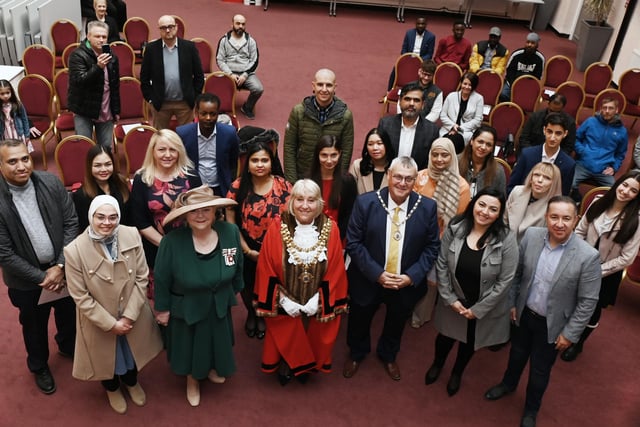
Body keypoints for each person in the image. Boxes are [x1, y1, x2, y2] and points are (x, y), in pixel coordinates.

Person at [484, 196, 601, 427]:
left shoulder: (588, 256)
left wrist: (570, 334)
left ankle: (531, 409)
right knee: (516, 355)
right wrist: (513, 303)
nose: (560, 223)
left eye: (566, 218)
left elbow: (588, 301)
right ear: (546, 217)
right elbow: (517, 274)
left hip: (554, 325)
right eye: (554, 217)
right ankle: (508, 384)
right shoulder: (531, 236)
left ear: (576, 220)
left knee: (539, 370)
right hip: (524, 314)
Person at [344, 157, 440, 381]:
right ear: (388, 175)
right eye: (398, 176)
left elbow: (432, 246)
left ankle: (388, 354)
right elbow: (354, 243)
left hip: (404, 283)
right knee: (360, 318)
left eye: (409, 178)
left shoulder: (427, 207)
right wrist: (377, 274)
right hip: (368, 278)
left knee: (396, 321)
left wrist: (411, 277)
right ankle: (357, 352)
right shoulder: (366, 203)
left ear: (415, 181)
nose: (402, 183)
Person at [64, 195, 163, 414]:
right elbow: (80, 297)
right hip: (100, 320)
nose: (106, 223)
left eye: (113, 217)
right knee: (107, 359)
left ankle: (131, 381)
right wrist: (111, 324)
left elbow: (141, 277)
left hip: (132, 313)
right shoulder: (74, 250)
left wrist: (128, 317)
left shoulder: (131, 234)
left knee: (132, 353)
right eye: (100, 217)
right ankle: (111, 388)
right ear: (91, 216)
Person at [0, 139, 78, 394]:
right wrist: (42, 276)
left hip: (62, 268)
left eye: (25, 158)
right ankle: (39, 365)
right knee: (33, 325)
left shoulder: (51, 182)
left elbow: (71, 223)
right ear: (1, 164)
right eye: (12, 161)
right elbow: (4, 253)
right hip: (26, 282)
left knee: (68, 313)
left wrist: (60, 266)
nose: (22, 166)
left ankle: (67, 345)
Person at [154, 186, 243, 406]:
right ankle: (192, 381)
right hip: (188, 307)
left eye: (206, 210)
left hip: (219, 302)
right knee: (191, 348)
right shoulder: (171, 242)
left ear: (215, 212)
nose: (200, 216)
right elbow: (162, 278)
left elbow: (237, 265)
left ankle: (211, 368)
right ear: (185, 215)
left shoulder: (229, 232)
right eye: (194, 211)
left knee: (216, 342)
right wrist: (163, 309)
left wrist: (233, 291)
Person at [425, 188, 518, 396]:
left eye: (493, 209)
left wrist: (478, 309)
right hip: (454, 299)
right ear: (473, 203)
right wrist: (449, 298)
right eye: (482, 204)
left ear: (499, 213)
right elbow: (441, 263)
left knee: (469, 342)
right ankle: (437, 365)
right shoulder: (456, 226)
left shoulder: (507, 238)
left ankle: (457, 372)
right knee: (444, 338)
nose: (485, 212)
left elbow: (506, 280)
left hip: (481, 305)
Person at [254, 179, 348, 385]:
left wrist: (319, 299)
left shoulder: (331, 229)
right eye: (299, 199)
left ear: (319, 203)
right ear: (291, 201)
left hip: (317, 295)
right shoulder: (277, 227)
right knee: (286, 331)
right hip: (285, 296)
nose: (305, 205)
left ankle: (306, 364)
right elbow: (265, 268)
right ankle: (287, 363)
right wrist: (284, 301)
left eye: (311, 200)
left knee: (311, 333)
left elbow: (336, 270)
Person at [561, 173, 640, 362]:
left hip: (606, 271)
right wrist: (578, 257)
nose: (626, 192)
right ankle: (564, 331)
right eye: (624, 186)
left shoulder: (636, 220)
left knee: (592, 308)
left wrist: (598, 271)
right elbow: (580, 231)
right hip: (581, 260)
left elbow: (627, 258)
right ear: (618, 184)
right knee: (570, 297)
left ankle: (578, 344)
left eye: (634, 191)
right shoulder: (598, 201)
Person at [226, 141, 292, 340]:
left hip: (277, 247)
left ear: (272, 162)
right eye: (255, 160)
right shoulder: (238, 186)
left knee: (271, 284)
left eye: (265, 160)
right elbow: (231, 223)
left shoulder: (284, 186)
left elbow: (291, 221)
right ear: (248, 163)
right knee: (247, 284)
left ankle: (264, 313)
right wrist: (246, 250)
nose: (260, 164)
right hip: (247, 246)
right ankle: (252, 314)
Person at [130, 129, 202, 289]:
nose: (167, 155)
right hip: (158, 249)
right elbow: (140, 221)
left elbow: (201, 212)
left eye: (172, 149)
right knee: (164, 302)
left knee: (192, 292)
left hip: (191, 247)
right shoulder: (142, 179)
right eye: (162, 149)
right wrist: (167, 246)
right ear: (153, 152)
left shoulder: (191, 176)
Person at [411, 138, 471, 328]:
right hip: (414, 235)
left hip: (440, 241)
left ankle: (421, 316)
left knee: (430, 283)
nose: (439, 159)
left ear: (452, 156)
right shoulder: (420, 177)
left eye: (444, 155)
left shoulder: (461, 187)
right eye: (435, 154)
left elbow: (458, 223)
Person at [283, 68, 354, 183]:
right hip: (303, 176)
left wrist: (339, 180)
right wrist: (292, 181)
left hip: (330, 178)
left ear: (335, 87)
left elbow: (346, 151)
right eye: (320, 84)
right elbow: (289, 147)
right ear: (313, 86)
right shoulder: (298, 112)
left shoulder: (346, 116)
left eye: (329, 85)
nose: (324, 89)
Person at [140, 15, 204, 130]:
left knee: (186, 138)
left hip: (184, 103)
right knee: (161, 138)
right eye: (163, 28)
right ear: (159, 30)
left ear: (176, 27)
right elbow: (144, 77)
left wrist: (194, 96)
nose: (168, 30)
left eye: (170, 26)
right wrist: (151, 99)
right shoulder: (151, 49)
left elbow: (199, 75)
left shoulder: (189, 47)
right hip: (161, 103)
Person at [68, 20, 120, 148]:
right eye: (97, 36)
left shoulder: (112, 56)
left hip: (105, 109)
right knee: (84, 147)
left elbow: (115, 86)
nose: (101, 40)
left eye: (104, 37)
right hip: (84, 109)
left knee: (106, 148)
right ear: (88, 36)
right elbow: (80, 81)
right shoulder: (77, 55)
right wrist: (98, 67)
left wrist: (116, 110)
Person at [176, 93, 239, 196]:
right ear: (197, 113)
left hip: (220, 187)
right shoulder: (183, 134)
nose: (208, 118)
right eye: (204, 113)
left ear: (218, 114)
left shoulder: (229, 133)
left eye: (212, 114)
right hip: (193, 189)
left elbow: (233, 161)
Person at [571, 98, 628, 201]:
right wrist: (582, 151)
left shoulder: (622, 131)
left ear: (616, 110)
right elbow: (575, 138)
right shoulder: (590, 122)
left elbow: (620, 153)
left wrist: (614, 168)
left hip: (603, 170)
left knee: (615, 192)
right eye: (604, 108)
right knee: (568, 183)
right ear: (601, 109)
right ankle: (577, 199)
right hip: (583, 164)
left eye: (610, 108)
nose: (607, 111)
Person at [507, 113, 575, 196]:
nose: (552, 137)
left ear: (565, 134)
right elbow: (512, 186)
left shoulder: (568, 164)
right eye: (549, 132)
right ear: (544, 130)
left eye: (558, 133)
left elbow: (562, 196)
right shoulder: (527, 154)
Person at [377, 82, 439, 170]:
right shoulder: (386, 124)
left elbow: (431, 162)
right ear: (400, 101)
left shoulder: (432, 131)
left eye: (416, 100)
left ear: (423, 105)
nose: (411, 104)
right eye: (407, 99)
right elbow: (379, 155)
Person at [307, 135, 357, 241]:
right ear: (317, 155)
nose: (329, 161)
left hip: (337, 238)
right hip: (309, 237)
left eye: (334, 155)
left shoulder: (347, 181)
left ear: (340, 154)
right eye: (324, 155)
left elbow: (349, 214)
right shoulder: (308, 180)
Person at [73, 144, 131, 232]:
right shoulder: (81, 195)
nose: (104, 169)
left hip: (125, 237)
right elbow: (84, 228)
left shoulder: (122, 183)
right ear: (90, 167)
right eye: (98, 165)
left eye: (108, 164)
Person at [216, 14, 263, 120]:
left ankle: (247, 107)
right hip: (229, 73)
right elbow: (220, 59)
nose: (240, 26)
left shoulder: (251, 41)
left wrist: (245, 75)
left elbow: (255, 61)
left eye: (243, 24)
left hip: (246, 74)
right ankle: (223, 108)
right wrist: (230, 74)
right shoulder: (224, 40)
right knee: (216, 86)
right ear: (232, 24)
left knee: (258, 88)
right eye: (238, 23)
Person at [505, 162, 562, 242]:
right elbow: (504, 219)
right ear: (531, 178)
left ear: (554, 183)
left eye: (547, 178)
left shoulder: (554, 207)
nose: (540, 180)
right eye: (536, 175)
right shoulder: (517, 191)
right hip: (506, 243)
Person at [387, 17, 436, 91]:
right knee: (395, 68)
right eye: (418, 24)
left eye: (422, 24)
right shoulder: (409, 33)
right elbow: (404, 48)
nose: (420, 26)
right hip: (408, 58)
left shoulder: (431, 36)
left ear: (426, 25)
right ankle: (389, 91)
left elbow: (429, 54)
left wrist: (419, 60)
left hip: (421, 61)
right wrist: (407, 58)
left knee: (427, 72)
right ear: (415, 24)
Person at [439, 72, 484, 153]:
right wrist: (453, 126)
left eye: (470, 85)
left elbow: (478, 120)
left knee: (454, 146)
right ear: (461, 83)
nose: (466, 87)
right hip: (448, 129)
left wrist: (459, 128)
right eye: (465, 83)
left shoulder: (479, 99)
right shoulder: (451, 96)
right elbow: (443, 115)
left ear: (474, 86)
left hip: (466, 131)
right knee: (444, 146)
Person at [458, 125, 506, 197]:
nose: (483, 147)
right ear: (472, 141)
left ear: (492, 149)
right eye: (480, 142)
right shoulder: (456, 161)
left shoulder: (498, 171)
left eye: (488, 145)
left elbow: (500, 200)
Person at [500, 33, 545, 102]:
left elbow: (538, 77)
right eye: (528, 42)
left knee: (533, 100)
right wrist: (514, 85)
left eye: (532, 43)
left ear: (537, 45)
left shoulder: (540, 58)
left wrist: (525, 86)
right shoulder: (516, 54)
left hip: (528, 86)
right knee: (503, 94)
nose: (529, 45)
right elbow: (509, 71)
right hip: (512, 83)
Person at [349, 128, 395, 194]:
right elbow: (349, 194)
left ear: (387, 145)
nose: (375, 148)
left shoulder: (395, 168)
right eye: (370, 144)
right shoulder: (357, 166)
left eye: (379, 143)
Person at [0, 79, 40, 153]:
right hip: (5, 135)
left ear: (11, 92)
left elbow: (25, 119)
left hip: (18, 133)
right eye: (2, 94)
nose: (5, 96)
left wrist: (27, 135)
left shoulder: (18, 104)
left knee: (21, 152)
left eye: (7, 93)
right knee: (9, 153)